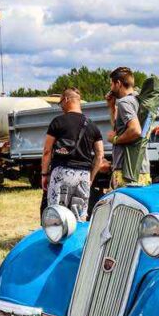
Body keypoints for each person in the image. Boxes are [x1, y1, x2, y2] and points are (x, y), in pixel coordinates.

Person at [41, 88, 104, 221]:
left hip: (61, 173)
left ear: (67, 99)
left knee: (57, 216)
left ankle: (57, 240)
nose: (61, 107)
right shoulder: (92, 126)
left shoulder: (57, 122)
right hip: (83, 176)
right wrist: (91, 178)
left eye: (60, 103)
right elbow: (100, 155)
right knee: (79, 218)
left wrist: (44, 174)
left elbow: (47, 151)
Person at [105, 66, 151, 189]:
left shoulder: (125, 102)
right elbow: (121, 129)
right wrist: (112, 107)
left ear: (118, 83)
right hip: (142, 170)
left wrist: (115, 139)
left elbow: (135, 130)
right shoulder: (140, 100)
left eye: (111, 84)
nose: (111, 88)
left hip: (125, 172)